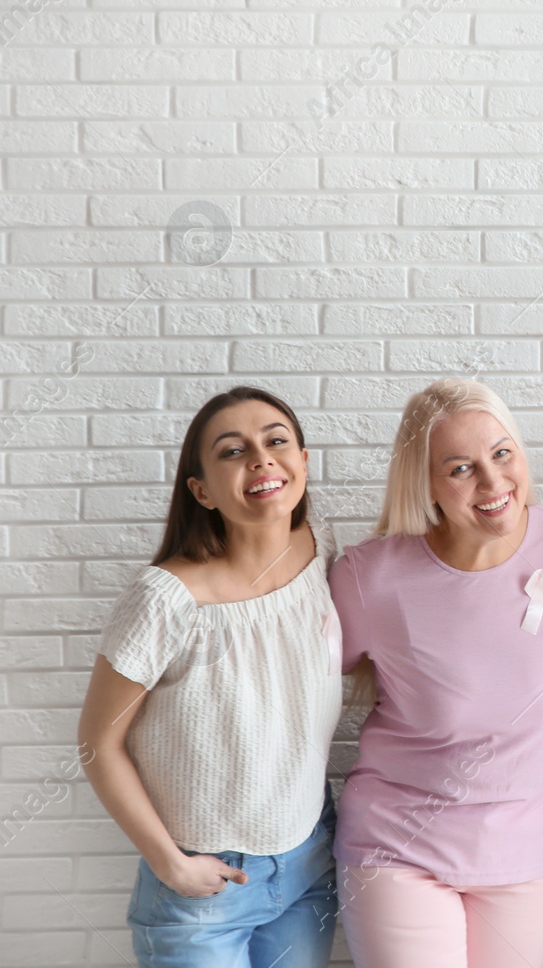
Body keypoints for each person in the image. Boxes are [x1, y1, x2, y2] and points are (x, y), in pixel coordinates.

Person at [328, 379, 543, 968]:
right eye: (460, 468)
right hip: (396, 845)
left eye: (502, 453)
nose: (492, 481)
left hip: (525, 849)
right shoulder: (368, 577)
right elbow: (302, 687)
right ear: (425, 483)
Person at [80, 387, 341, 968]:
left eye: (277, 441)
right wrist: (172, 864)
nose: (261, 458)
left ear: (301, 461)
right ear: (200, 490)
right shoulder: (163, 599)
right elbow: (98, 743)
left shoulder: (319, 544)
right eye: (232, 451)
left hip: (310, 857)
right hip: (205, 883)